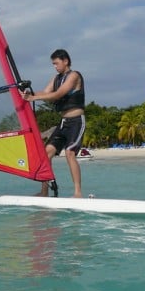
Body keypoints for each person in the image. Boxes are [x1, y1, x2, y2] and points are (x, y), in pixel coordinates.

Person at [20, 49, 85, 198]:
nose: (55, 66)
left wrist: (33, 99)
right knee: (45, 154)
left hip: (76, 122)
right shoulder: (56, 78)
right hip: (63, 123)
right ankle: (44, 192)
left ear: (65, 61)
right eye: (53, 64)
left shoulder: (74, 76)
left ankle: (77, 193)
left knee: (70, 153)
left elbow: (58, 94)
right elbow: (45, 92)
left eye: (56, 63)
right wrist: (28, 94)